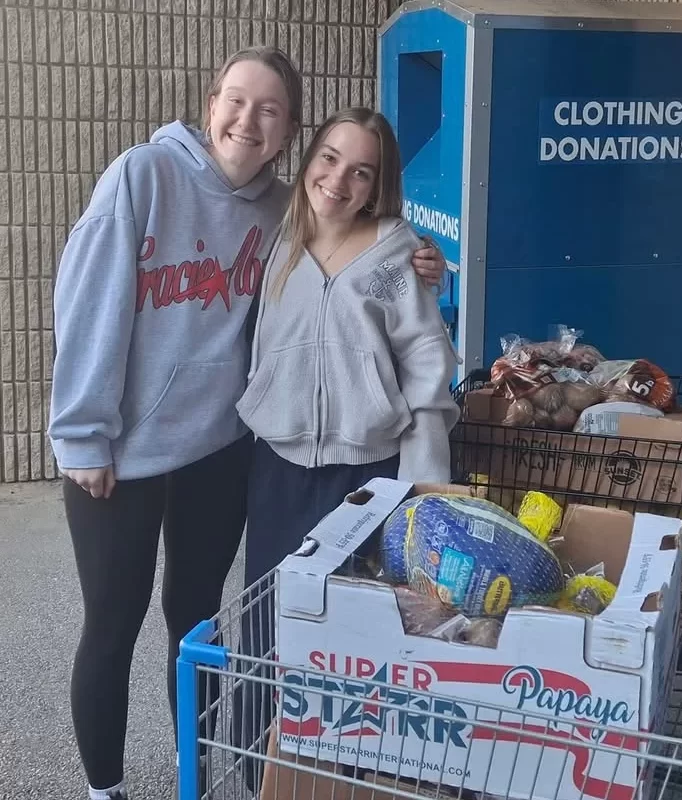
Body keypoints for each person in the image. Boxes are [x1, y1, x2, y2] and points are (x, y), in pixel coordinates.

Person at [47, 47, 448, 800]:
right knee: (112, 626)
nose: (248, 120)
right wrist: (82, 433)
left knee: (197, 627)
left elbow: (366, 251)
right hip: (121, 456)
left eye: (270, 110)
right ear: (211, 104)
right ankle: (105, 789)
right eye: (237, 100)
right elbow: (88, 308)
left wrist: (429, 258)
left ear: (288, 129)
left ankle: (191, 772)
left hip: (222, 451)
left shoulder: (283, 207)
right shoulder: (143, 176)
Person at [229, 106, 460, 791]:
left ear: (377, 186)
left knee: (356, 638)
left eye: (362, 172)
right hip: (278, 468)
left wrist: (424, 490)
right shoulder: (277, 235)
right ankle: (256, 774)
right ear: (309, 161)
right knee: (268, 629)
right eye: (329, 159)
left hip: (366, 475)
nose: (339, 180)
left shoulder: (398, 256)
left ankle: (345, 778)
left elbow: (426, 372)